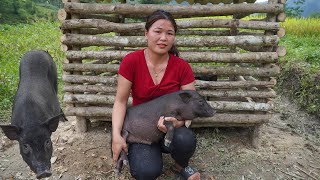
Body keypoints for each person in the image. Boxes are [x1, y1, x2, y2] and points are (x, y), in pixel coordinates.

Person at [111, 9, 201, 180]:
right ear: (146, 33)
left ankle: (180, 165)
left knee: (185, 140)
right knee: (146, 172)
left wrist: (178, 123)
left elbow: (191, 108)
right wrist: (116, 135)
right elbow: (120, 102)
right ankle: (148, 154)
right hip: (142, 131)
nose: (163, 38)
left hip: (171, 130)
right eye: (157, 31)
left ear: (174, 37)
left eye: (169, 33)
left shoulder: (182, 67)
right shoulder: (131, 61)